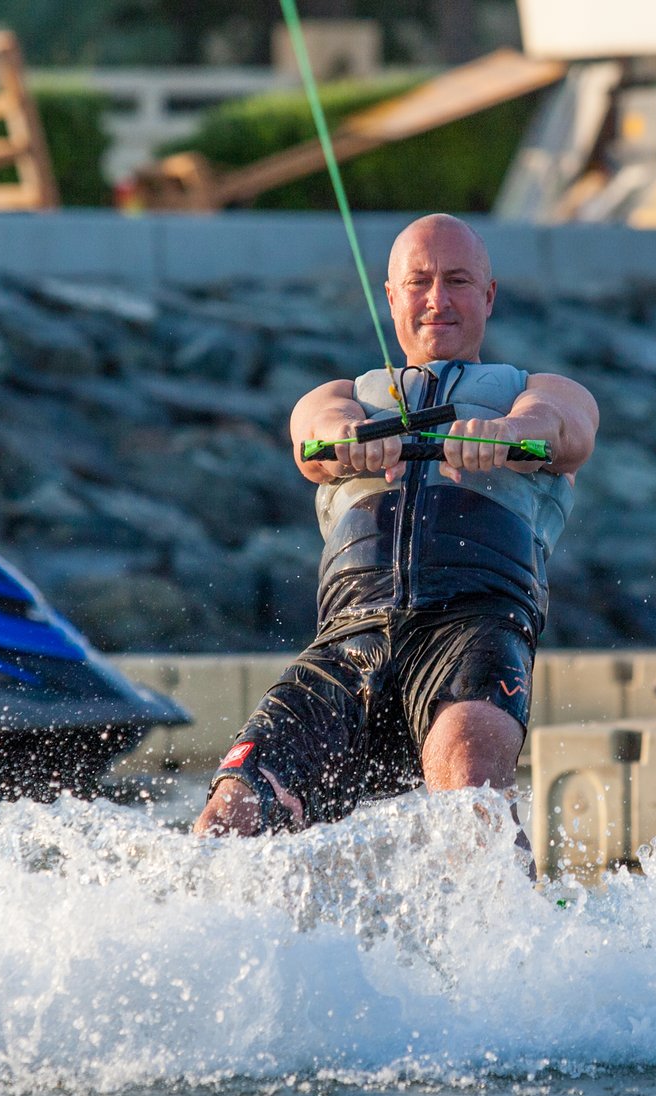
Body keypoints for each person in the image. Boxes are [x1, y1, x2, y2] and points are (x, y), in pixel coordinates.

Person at [192, 214, 598, 842]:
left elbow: (567, 428)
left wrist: (509, 434)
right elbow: (312, 437)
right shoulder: (342, 395)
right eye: (420, 282)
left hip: (472, 629)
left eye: (458, 280)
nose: (438, 299)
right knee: (230, 814)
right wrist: (343, 438)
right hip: (348, 643)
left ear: (488, 296)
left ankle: (515, 933)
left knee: (469, 783)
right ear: (391, 296)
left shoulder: (536, 392)